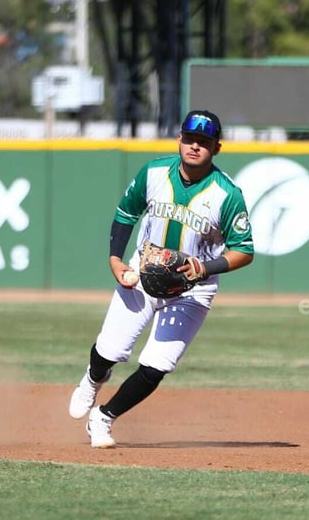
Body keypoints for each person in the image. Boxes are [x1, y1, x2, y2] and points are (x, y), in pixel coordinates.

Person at [68, 109, 254, 447]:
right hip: (143, 273)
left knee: (158, 365)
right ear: (179, 139)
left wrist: (205, 268)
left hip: (192, 289)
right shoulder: (153, 172)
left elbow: (244, 250)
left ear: (216, 148)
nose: (195, 146)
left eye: (204, 142)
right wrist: (115, 260)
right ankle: (93, 380)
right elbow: (126, 214)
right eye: (190, 139)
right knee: (110, 349)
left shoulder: (227, 194)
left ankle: (104, 418)